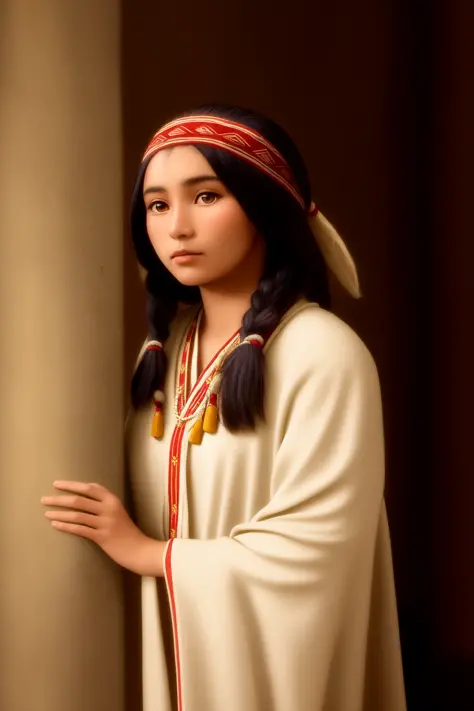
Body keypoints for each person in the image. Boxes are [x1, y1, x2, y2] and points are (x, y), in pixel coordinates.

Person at [41, 105, 406, 711]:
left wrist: (147, 552)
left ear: (265, 205)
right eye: (158, 205)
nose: (177, 227)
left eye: (206, 197)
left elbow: (316, 550)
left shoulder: (325, 355)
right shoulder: (165, 351)